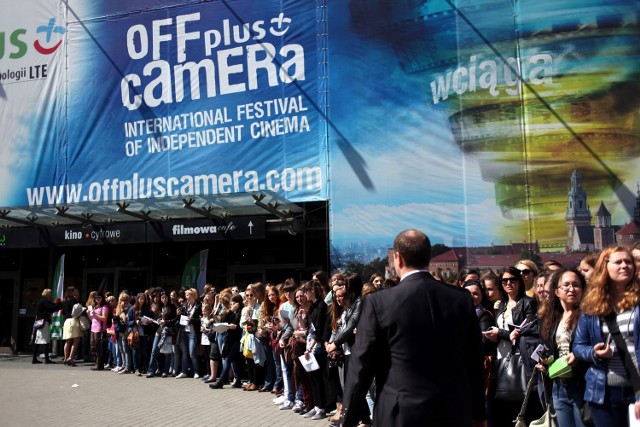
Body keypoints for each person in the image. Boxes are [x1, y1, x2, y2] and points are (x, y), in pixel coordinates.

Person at [341, 229, 486, 427]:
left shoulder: (379, 302)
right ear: (428, 258)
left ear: (398, 258)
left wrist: (347, 419)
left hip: (400, 413)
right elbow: (474, 361)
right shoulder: (461, 299)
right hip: (453, 411)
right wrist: (479, 414)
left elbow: (361, 366)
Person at [574, 246, 640, 426]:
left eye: (628, 262)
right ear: (605, 267)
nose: (625, 266)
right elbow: (579, 346)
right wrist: (594, 353)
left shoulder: (638, 302)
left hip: (636, 388)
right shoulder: (592, 306)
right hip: (603, 391)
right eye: (618, 262)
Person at [483, 266, 540, 426]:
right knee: (502, 408)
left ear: (519, 282)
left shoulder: (528, 304)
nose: (509, 283)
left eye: (512, 279)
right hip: (500, 358)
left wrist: (501, 333)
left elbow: (528, 332)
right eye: (505, 280)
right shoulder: (500, 305)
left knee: (521, 405)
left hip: (520, 358)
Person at [536, 268, 586, 427]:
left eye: (576, 285)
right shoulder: (551, 319)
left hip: (582, 386)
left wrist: (579, 356)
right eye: (566, 285)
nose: (571, 289)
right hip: (559, 386)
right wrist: (546, 363)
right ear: (557, 291)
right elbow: (551, 349)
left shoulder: (588, 315)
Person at [33, 289, 63, 364]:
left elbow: (50, 306)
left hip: (39, 322)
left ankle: (34, 359)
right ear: (48, 294)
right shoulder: (44, 301)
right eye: (50, 294)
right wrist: (59, 304)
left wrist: (55, 303)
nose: (51, 295)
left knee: (38, 340)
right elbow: (52, 308)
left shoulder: (41, 301)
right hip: (44, 322)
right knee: (46, 340)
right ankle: (46, 359)